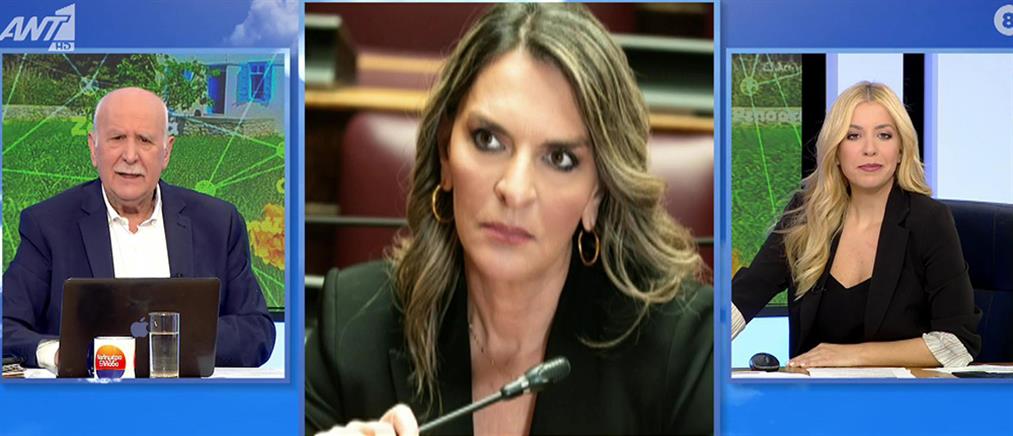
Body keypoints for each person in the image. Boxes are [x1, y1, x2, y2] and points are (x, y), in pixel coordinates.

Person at [305, 4, 712, 435]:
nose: (514, 190)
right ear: (446, 153)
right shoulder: (352, 326)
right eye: (488, 139)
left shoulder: (684, 348)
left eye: (559, 158)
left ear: (598, 192)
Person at [2, 87, 275, 371]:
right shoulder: (48, 224)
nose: (130, 156)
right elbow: (6, 326)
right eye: (117, 138)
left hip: (185, 398)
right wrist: (60, 354)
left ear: (166, 152)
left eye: (144, 140)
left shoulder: (218, 222)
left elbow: (256, 332)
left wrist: (167, 344)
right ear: (93, 148)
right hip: (88, 397)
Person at [731, 81, 980, 369]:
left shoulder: (929, 220)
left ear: (901, 149)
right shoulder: (807, 213)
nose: (869, 149)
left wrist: (852, 356)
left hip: (901, 394)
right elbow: (744, 296)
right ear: (836, 151)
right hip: (815, 394)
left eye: (884, 135)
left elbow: (957, 343)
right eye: (853, 136)